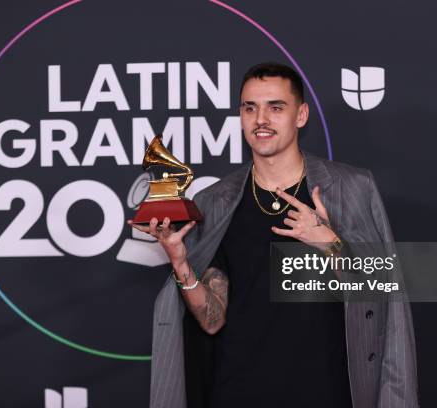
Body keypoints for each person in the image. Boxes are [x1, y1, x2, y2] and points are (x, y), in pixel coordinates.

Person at [130, 62, 418, 408]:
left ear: (301, 115)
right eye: (249, 107)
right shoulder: (215, 202)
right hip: (237, 392)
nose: (260, 119)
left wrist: (330, 243)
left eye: (275, 107)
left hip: (328, 392)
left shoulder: (352, 189)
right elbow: (212, 320)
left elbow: (386, 296)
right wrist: (181, 264)